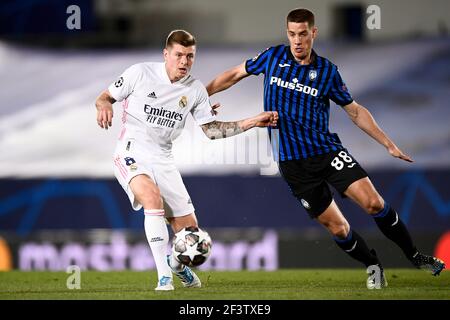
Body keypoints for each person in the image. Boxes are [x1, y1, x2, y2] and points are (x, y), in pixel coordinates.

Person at [206, 8, 445, 288]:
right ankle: (372, 264)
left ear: (313, 33)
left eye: (303, 34)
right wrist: (201, 96)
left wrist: (388, 144)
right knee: (339, 228)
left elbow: (354, 111)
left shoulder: (327, 71)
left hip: (327, 152)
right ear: (288, 34)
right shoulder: (272, 57)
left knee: (374, 203)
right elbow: (235, 74)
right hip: (293, 164)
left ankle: (415, 256)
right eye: (292, 34)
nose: (297, 41)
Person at [95, 29, 278, 291]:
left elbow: (212, 131)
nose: (184, 62)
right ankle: (163, 278)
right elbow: (105, 96)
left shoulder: (194, 90)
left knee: (190, 234)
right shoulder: (140, 73)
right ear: (166, 54)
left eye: (190, 56)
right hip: (131, 151)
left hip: (164, 159)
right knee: (151, 198)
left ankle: (176, 265)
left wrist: (252, 121)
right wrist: (104, 105)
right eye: (179, 55)